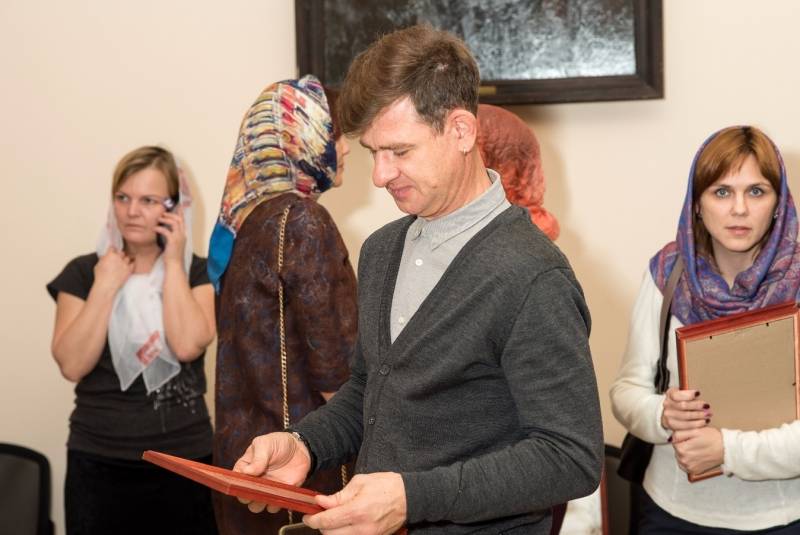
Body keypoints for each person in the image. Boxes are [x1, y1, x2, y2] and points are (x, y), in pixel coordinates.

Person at [233, 24, 603, 534]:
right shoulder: (382, 250)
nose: (380, 175)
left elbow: (569, 456)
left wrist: (411, 498)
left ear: (461, 131)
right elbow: (371, 389)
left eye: (400, 151)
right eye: (373, 152)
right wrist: (305, 444)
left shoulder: (533, 275)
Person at [610, 125, 800, 533]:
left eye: (756, 191)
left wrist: (727, 450)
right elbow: (626, 392)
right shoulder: (667, 274)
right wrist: (663, 414)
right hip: (670, 513)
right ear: (697, 203)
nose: (739, 209)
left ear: (779, 202)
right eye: (722, 192)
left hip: (783, 518)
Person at [208, 75, 358, 534]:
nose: (347, 148)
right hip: (300, 473)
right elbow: (336, 373)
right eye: (335, 133)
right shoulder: (303, 220)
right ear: (301, 138)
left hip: (246, 465)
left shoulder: (244, 223)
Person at [47, 146, 218, 534]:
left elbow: (188, 344)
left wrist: (173, 263)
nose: (131, 211)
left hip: (184, 458)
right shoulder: (83, 272)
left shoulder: (197, 272)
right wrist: (105, 286)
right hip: (98, 458)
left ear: (174, 208)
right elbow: (71, 364)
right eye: (122, 197)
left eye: (148, 200)